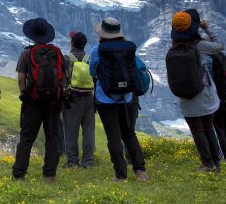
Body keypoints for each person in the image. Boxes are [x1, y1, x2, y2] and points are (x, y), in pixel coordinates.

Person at [89, 17, 148, 182]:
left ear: (103, 33)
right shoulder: (129, 47)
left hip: (105, 98)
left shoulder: (97, 50)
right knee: (129, 133)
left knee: (113, 136)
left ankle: (121, 176)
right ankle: (140, 171)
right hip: (127, 97)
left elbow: (92, 72)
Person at [170, 9, 224, 172]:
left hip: (185, 94)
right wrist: (207, 28)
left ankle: (207, 163)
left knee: (196, 129)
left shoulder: (174, 45)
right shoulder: (200, 45)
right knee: (208, 127)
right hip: (204, 92)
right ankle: (215, 163)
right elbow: (219, 46)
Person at [12, 18, 65, 182]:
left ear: (32, 36)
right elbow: (64, 78)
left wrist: (25, 94)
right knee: (52, 138)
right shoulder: (57, 53)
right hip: (53, 102)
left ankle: (19, 175)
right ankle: (49, 175)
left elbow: (21, 78)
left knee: (27, 138)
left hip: (33, 101)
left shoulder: (26, 53)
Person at [63, 31, 96, 168]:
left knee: (71, 131)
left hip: (72, 98)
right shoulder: (90, 58)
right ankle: (88, 161)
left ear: (72, 43)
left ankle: (72, 161)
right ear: (85, 44)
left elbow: (62, 78)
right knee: (89, 131)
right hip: (89, 97)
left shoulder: (67, 58)